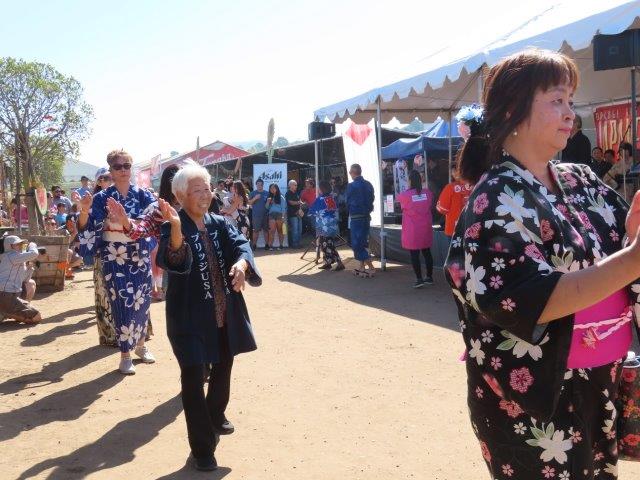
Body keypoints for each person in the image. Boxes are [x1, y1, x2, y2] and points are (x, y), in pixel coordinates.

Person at [444, 48, 640, 479]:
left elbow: (625, 243)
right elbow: (526, 297)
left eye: (571, 100)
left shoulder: (581, 180)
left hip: (602, 379)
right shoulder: (494, 197)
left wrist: (631, 236)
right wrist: (632, 259)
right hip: (539, 396)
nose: (570, 113)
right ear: (511, 109)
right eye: (556, 100)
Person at [156, 161, 261, 472]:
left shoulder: (219, 223)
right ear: (181, 196)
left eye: (207, 188)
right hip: (188, 318)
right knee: (192, 377)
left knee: (224, 365)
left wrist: (241, 264)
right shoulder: (172, 226)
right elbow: (174, 258)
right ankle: (202, 449)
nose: (205, 195)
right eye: (197, 190)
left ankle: (215, 414)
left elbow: (240, 245)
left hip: (224, 311)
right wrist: (177, 228)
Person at [77, 149, 156, 375]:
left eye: (126, 166)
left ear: (132, 168)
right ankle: (125, 354)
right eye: (118, 166)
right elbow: (86, 227)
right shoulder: (102, 198)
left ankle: (141, 345)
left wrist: (126, 221)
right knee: (121, 303)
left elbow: (152, 221)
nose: (123, 170)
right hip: (114, 255)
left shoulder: (144, 195)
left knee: (142, 301)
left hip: (138, 253)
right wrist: (84, 211)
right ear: (110, 170)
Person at [398, 170, 434, 288]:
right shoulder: (428, 193)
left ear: (409, 181)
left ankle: (419, 279)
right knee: (427, 252)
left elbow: (400, 204)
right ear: (420, 180)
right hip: (425, 227)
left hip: (412, 229)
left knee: (414, 254)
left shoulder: (404, 195)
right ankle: (429, 277)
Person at [0, 236, 41, 324]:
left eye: (21, 244)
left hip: (13, 294)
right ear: (10, 246)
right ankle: (6, 313)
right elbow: (34, 253)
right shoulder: (11, 255)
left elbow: (25, 279)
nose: (20, 246)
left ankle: (6, 312)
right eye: (17, 244)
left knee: (31, 283)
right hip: (6, 295)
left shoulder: (17, 258)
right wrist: (32, 245)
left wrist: (30, 267)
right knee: (37, 317)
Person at [346, 163, 375, 277]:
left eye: (350, 172)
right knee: (362, 242)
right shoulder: (368, 184)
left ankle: (371, 267)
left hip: (356, 217)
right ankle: (361, 267)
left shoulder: (351, 186)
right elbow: (372, 198)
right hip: (366, 216)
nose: (349, 173)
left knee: (356, 244)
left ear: (353, 173)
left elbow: (347, 201)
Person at [309, 180, 345, 271]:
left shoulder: (320, 199)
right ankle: (327, 262)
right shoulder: (331, 198)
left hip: (323, 226)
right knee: (325, 243)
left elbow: (312, 210)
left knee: (328, 244)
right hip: (332, 225)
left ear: (321, 189)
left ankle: (339, 262)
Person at [436, 163, 473, 241]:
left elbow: (442, 209)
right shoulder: (475, 186)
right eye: (453, 171)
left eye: (454, 171)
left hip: (453, 227)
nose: (454, 174)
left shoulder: (450, 187)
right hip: (471, 227)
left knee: (454, 248)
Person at [248, 178, 269, 250]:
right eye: (258, 184)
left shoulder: (267, 193)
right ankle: (254, 245)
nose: (260, 186)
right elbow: (248, 203)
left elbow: (269, 204)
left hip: (265, 215)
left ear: (263, 185)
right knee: (255, 230)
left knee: (266, 230)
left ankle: (267, 245)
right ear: (256, 185)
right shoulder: (252, 193)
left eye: (261, 184)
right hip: (256, 215)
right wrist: (255, 198)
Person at [265, 184, 286, 250]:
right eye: (271, 188)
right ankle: (270, 246)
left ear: (277, 189)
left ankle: (281, 245)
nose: (272, 189)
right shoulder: (269, 197)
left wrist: (283, 217)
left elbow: (283, 208)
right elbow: (266, 207)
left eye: (273, 188)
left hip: (279, 215)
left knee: (280, 231)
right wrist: (268, 202)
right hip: (271, 215)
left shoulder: (281, 197)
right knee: (272, 231)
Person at [285, 180, 303, 248]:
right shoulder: (288, 193)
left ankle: (299, 243)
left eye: (296, 185)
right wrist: (299, 202)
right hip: (292, 214)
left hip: (299, 213)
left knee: (300, 230)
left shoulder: (296, 193)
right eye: (295, 185)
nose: (296, 186)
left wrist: (301, 204)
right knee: (295, 230)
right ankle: (295, 244)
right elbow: (290, 202)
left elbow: (299, 201)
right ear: (290, 185)